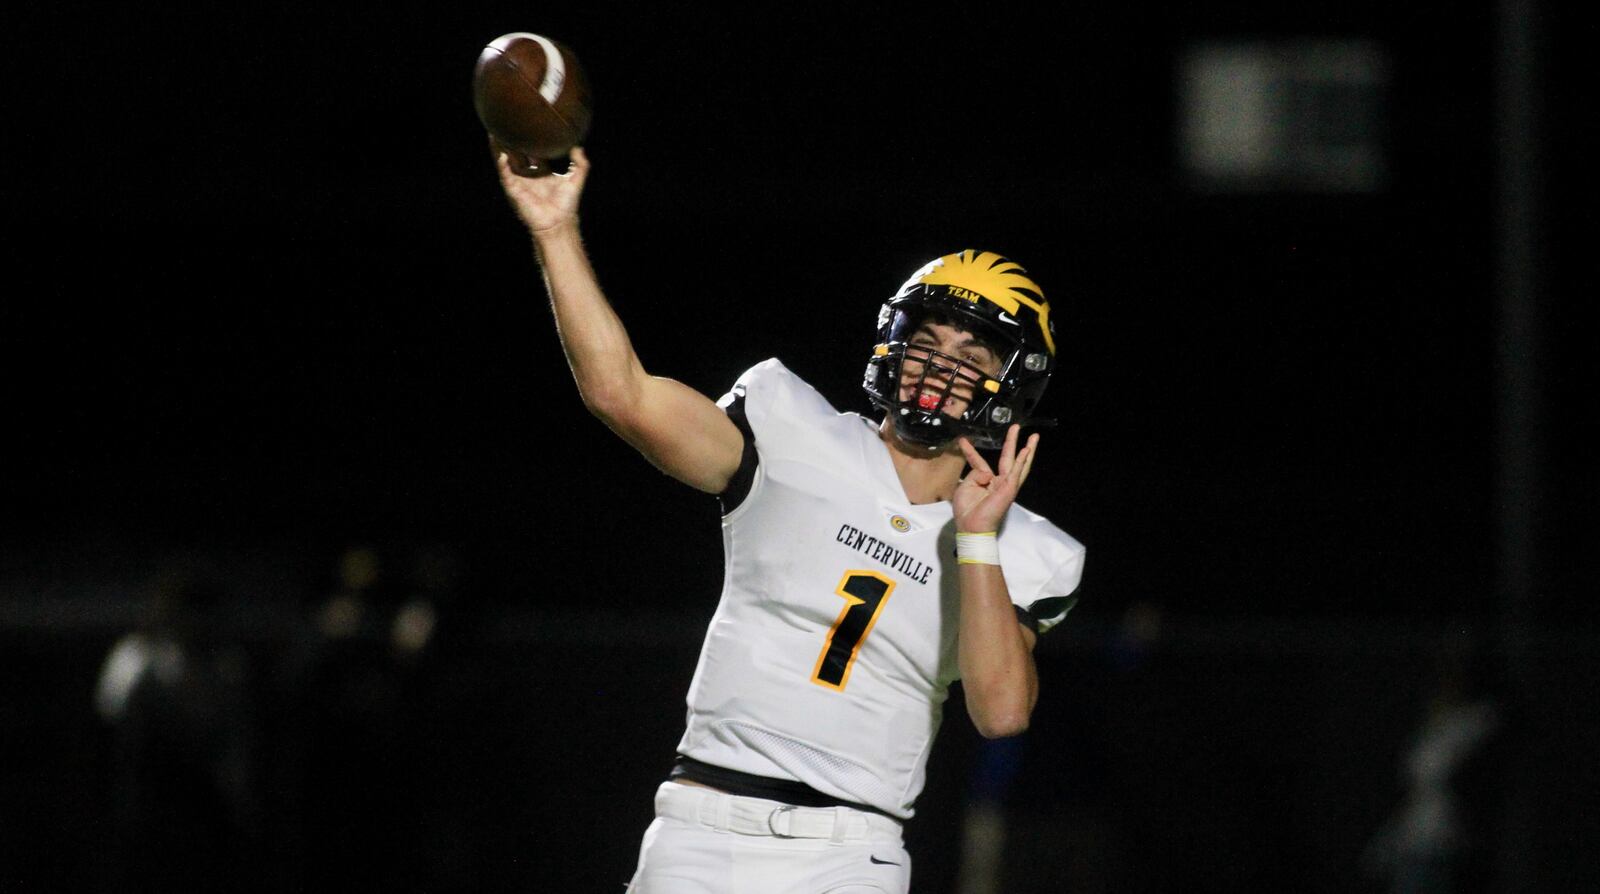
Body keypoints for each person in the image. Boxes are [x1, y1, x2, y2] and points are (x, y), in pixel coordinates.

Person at [494, 147, 1086, 893]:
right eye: (929, 341)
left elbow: (1001, 712)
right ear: (893, 345)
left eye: (973, 353)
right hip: (699, 828)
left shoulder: (1022, 546)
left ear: (1012, 385)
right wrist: (554, 231)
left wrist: (975, 538)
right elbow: (623, 394)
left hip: (851, 852)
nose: (941, 366)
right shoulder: (789, 424)